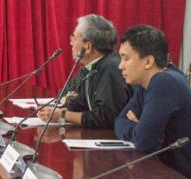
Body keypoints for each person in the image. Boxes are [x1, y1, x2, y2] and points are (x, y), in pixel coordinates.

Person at [114, 25, 191, 177]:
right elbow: (119, 121)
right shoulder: (147, 84)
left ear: (148, 61)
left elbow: (144, 141)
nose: (120, 66)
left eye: (126, 58)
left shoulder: (164, 81)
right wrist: (139, 128)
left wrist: (140, 129)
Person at [38, 14, 131, 128]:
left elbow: (107, 116)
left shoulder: (111, 68)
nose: (71, 43)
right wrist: (63, 107)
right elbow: (71, 97)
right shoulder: (90, 66)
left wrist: (63, 115)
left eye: (74, 38)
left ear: (88, 47)